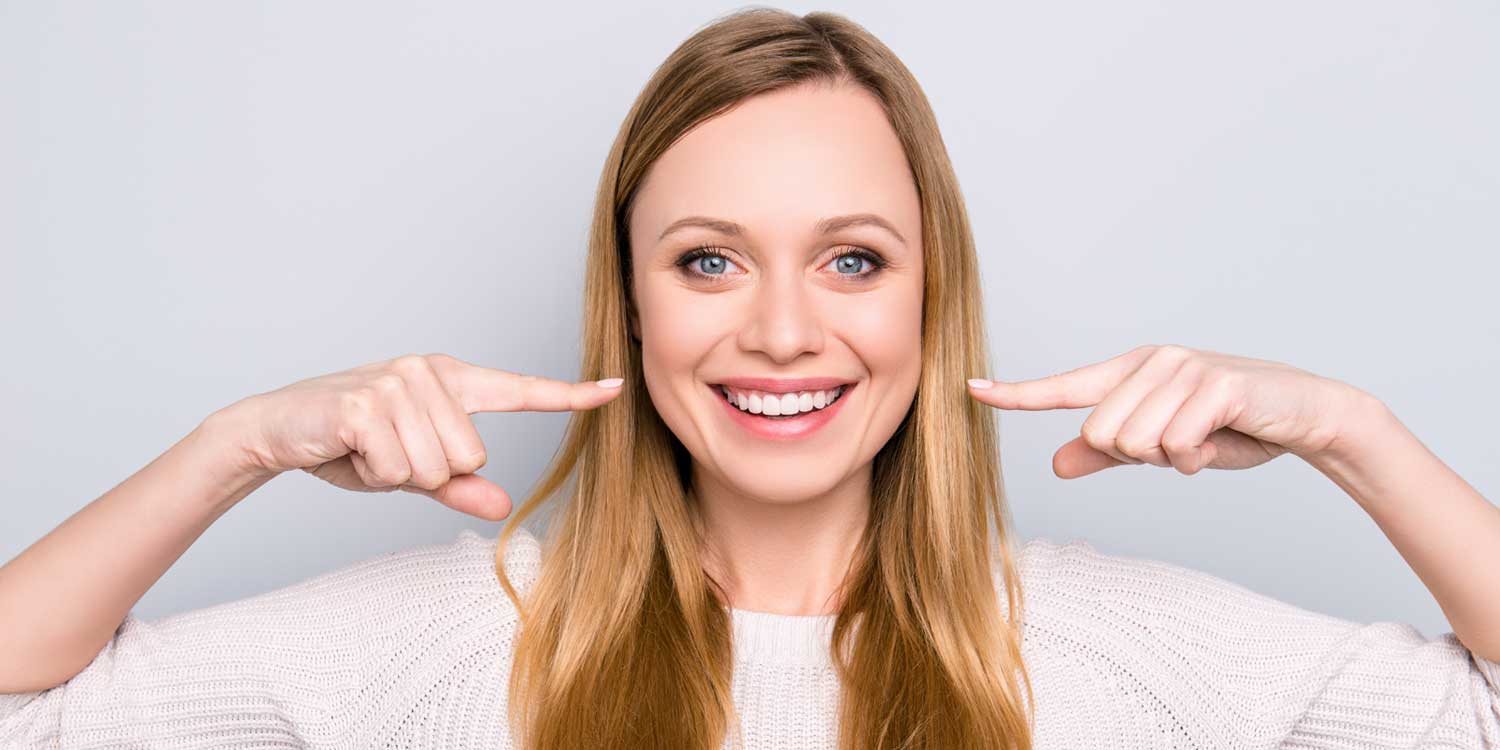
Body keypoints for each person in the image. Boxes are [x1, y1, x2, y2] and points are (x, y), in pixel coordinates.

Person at [2, 7, 1497, 749]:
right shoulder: (453, 643)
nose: (783, 333)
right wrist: (235, 444)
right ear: (632, 303)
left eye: (852, 259)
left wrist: (1351, 433)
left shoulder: (1108, 650)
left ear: (932, 299)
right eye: (709, 260)